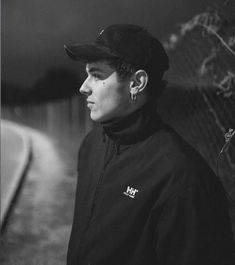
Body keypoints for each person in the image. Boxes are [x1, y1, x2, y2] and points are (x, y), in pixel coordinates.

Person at [64, 24, 234, 265]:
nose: (83, 87)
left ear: (137, 83)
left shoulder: (182, 178)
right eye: (86, 74)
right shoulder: (91, 145)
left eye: (97, 75)